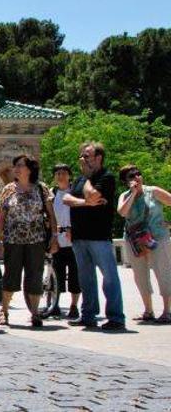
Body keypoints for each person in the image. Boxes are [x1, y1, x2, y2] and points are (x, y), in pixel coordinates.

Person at [63, 142, 125, 331]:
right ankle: (88, 315)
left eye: (87, 156)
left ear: (99, 157)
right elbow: (67, 199)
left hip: (99, 236)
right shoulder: (80, 179)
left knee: (109, 278)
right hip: (79, 236)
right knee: (86, 278)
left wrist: (88, 185)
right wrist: (86, 203)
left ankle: (116, 317)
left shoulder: (106, 177)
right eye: (81, 156)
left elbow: (94, 194)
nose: (83, 159)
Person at [0, 154, 58, 327]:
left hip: (36, 239)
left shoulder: (41, 188)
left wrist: (54, 237)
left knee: (35, 276)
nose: (16, 169)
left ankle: (35, 312)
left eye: (20, 165)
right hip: (13, 239)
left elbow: (51, 215)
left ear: (30, 168)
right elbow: (1, 217)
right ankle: (4, 310)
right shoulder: (8, 189)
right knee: (11, 275)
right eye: (15, 165)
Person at [117, 164, 171, 323]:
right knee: (140, 275)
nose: (136, 178)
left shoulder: (153, 191)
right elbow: (122, 212)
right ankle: (148, 310)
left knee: (163, 272)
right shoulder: (124, 196)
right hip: (135, 241)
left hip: (157, 238)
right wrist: (133, 194)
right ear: (125, 181)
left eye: (138, 174)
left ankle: (167, 311)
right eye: (131, 176)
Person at [43, 163, 81, 319]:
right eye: (57, 173)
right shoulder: (51, 194)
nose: (61, 176)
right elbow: (46, 216)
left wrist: (76, 230)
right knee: (54, 274)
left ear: (69, 175)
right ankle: (54, 303)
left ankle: (73, 305)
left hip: (73, 239)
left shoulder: (76, 192)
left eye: (64, 173)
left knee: (75, 275)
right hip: (56, 238)